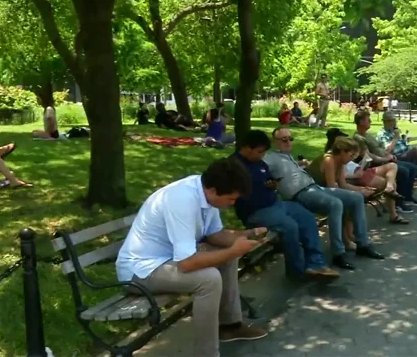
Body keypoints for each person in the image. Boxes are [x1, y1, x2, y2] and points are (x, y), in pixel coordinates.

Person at [115, 158, 268, 357]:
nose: (233, 204)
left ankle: (230, 326)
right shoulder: (182, 200)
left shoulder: (206, 193)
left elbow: (215, 236)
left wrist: (247, 235)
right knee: (209, 279)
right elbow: (187, 264)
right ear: (213, 190)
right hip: (139, 272)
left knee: (225, 257)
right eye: (231, 199)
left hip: (165, 261)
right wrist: (235, 250)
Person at [264, 127, 384, 270]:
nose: (288, 142)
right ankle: (338, 253)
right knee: (335, 204)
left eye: (290, 138)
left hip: (314, 187)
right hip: (301, 193)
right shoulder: (269, 158)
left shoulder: (287, 156)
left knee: (356, 198)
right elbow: (258, 171)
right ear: (274, 141)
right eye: (284, 139)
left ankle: (363, 244)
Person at [232, 130, 339, 281]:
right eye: (259, 152)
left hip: (277, 203)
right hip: (257, 211)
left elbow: (267, 177)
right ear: (247, 148)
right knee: (290, 226)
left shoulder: (259, 162)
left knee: (306, 217)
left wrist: (272, 184)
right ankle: (297, 271)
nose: (262, 155)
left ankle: (316, 263)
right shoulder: (235, 166)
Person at [308, 133, 408, 226]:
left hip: (327, 190)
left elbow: (343, 185)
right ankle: (351, 239)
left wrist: (363, 189)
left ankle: (354, 238)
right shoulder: (329, 160)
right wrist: (358, 193)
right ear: (342, 152)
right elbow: (332, 188)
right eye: (351, 155)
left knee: (356, 197)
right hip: (314, 193)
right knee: (352, 201)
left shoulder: (341, 162)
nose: (352, 159)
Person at [353, 110, 417, 212]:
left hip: (386, 159)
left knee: (412, 167)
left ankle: (407, 196)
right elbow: (368, 156)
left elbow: (380, 149)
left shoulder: (368, 135)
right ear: (361, 122)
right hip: (376, 164)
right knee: (404, 171)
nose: (371, 121)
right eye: (368, 120)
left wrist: (389, 155)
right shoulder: (358, 137)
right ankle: (399, 203)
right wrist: (385, 158)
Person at [376, 111, 417, 198]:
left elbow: (405, 145)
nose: (394, 123)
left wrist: (403, 139)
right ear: (386, 121)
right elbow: (387, 150)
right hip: (397, 157)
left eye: (395, 120)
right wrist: (395, 138)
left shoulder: (394, 131)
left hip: (406, 155)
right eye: (392, 121)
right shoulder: (382, 134)